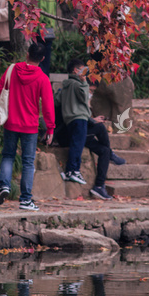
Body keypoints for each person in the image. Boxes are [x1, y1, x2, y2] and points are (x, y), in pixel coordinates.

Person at [0, 42, 55, 212]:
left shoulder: (12, 70)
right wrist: (50, 128)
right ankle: (25, 200)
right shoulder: (42, 78)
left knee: (8, 156)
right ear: (42, 59)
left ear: (27, 54)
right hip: (30, 126)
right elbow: (48, 106)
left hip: (10, 122)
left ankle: (4, 187)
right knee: (28, 162)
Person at [59, 58, 125, 194]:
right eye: (83, 70)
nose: (86, 73)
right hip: (76, 124)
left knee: (104, 151)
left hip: (80, 122)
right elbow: (83, 100)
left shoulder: (67, 86)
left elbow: (67, 103)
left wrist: (91, 119)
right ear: (75, 71)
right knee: (99, 129)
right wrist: (84, 83)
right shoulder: (76, 84)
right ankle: (73, 170)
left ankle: (99, 186)